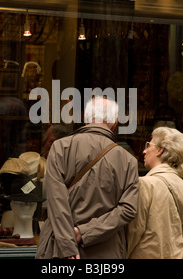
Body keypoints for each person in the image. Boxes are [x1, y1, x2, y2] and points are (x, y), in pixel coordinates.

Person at [36, 96, 139, 259]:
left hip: (60, 250)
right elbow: (127, 210)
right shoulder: (128, 160)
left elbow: (57, 201)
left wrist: (68, 245)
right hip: (106, 254)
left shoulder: (60, 148)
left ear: (85, 119)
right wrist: (83, 233)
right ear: (115, 123)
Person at [127, 127, 183, 259]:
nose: (144, 151)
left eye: (148, 145)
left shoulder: (145, 184)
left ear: (160, 149)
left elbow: (133, 231)